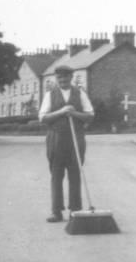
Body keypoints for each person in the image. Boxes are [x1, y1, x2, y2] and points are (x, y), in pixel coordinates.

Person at [39, 66, 94, 223]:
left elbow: (90, 115)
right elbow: (42, 118)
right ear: (57, 79)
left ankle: (75, 210)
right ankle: (56, 212)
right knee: (56, 176)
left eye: (65, 78)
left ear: (71, 77)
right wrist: (62, 111)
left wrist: (75, 113)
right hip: (55, 139)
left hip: (76, 138)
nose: (62, 81)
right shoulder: (50, 95)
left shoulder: (80, 93)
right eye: (59, 79)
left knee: (75, 175)